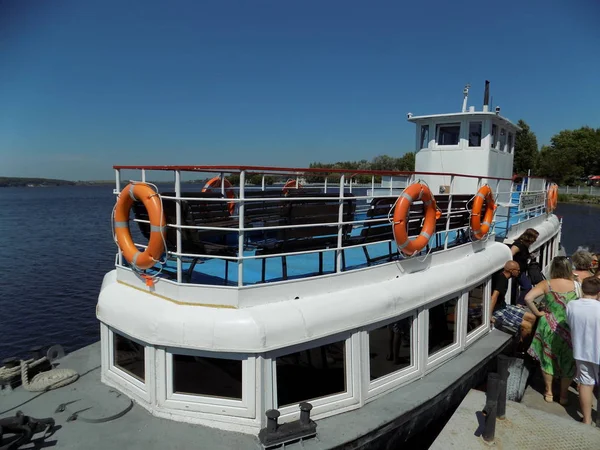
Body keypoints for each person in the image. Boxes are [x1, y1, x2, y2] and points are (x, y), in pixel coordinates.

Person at [525, 256, 581, 405]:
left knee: (547, 359)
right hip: (569, 327)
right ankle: (563, 396)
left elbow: (528, 298)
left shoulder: (546, 284)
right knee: (568, 362)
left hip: (548, 325)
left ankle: (549, 392)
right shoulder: (576, 285)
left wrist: (537, 313)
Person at [566, 277, 600, 425]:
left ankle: (587, 420)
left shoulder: (572, 305)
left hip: (581, 351)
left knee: (585, 383)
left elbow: (569, 322)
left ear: (582, 289)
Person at [491, 261, 537, 341]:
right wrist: (488, 315)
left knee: (532, 318)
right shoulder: (501, 280)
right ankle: (521, 348)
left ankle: (520, 339)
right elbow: (494, 297)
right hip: (497, 310)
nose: (519, 272)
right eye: (518, 270)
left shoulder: (504, 278)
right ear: (511, 271)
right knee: (527, 326)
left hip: (504, 306)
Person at [510, 228, 539, 304]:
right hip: (515, 272)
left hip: (521, 271)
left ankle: (519, 303)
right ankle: (518, 304)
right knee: (524, 287)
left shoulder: (524, 246)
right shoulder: (518, 245)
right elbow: (510, 254)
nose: (535, 240)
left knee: (525, 287)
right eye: (535, 238)